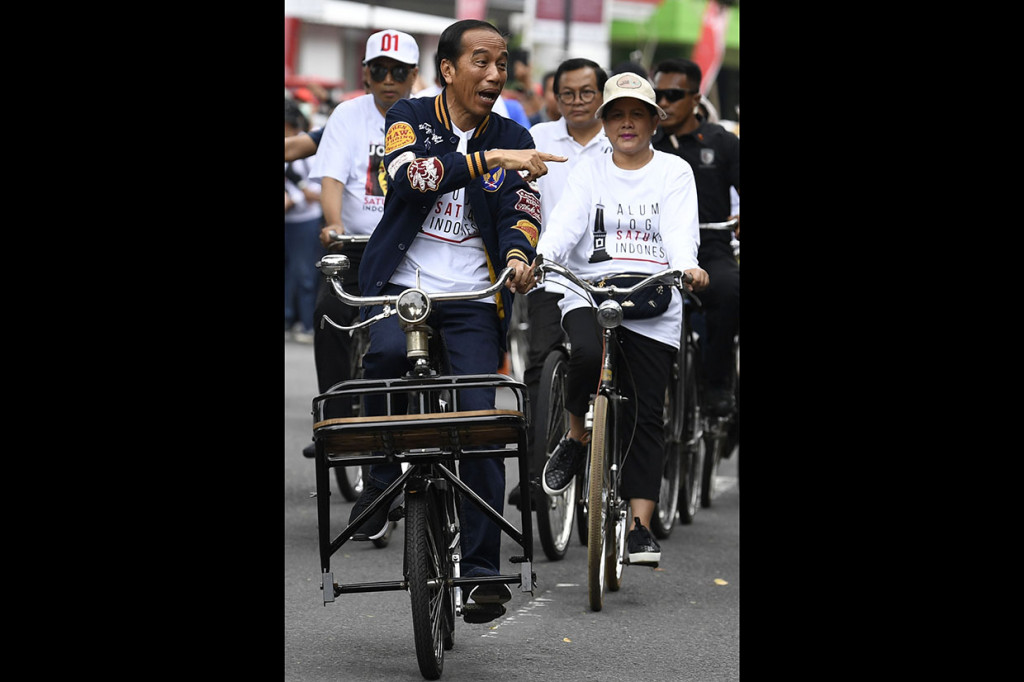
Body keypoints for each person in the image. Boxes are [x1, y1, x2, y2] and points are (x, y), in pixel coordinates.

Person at [348, 18, 566, 616]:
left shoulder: (512, 133)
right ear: (448, 69)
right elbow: (410, 176)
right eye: (481, 61)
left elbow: (522, 209)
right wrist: (486, 157)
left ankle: (481, 573)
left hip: (473, 298)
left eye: (501, 63)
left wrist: (520, 254)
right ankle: (378, 475)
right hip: (400, 289)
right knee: (387, 357)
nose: (494, 74)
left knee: (480, 422)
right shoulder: (409, 119)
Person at [535, 72, 708, 568]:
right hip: (590, 286)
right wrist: (540, 256)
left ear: (654, 120)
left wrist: (687, 267)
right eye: (617, 114)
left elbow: (679, 231)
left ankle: (639, 525)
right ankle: (574, 436)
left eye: (637, 113)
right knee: (585, 355)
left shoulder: (674, 171)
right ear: (605, 122)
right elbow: (565, 222)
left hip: (653, 291)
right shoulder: (589, 168)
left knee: (645, 411)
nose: (626, 123)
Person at [300, 29, 420, 441]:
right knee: (327, 314)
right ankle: (333, 420)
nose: (389, 79)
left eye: (398, 71)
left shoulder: (427, 114)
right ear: (366, 74)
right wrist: (332, 224)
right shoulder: (347, 115)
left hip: (411, 252)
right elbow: (331, 177)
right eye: (380, 70)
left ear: (414, 75)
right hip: (354, 247)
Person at [508, 57, 611, 509]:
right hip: (549, 273)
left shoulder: (621, 140)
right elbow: (520, 198)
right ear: (555, 96)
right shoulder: (538, 138)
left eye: (586, 92)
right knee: (540, 365)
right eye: (566, 93)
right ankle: (533, 476)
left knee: (613, 372)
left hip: (611, 276)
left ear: (602, 95)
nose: (576, 102)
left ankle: (609, 464)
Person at [650, 58, 740, 417]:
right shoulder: (646, 140)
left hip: (710, 247)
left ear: (696, 98)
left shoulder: (722, 142)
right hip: (652, 249)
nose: (664, 103)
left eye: (673, 95)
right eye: (658, 94)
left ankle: (716, 381)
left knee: (731, 290)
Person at [284, 99, 324, 343]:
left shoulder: (306, 148)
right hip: (289, 220)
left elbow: (316, 190)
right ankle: (288, 320)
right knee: (289, 273)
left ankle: (308, 325)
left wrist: (296, 194)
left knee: (306, 274)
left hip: (305, 221)